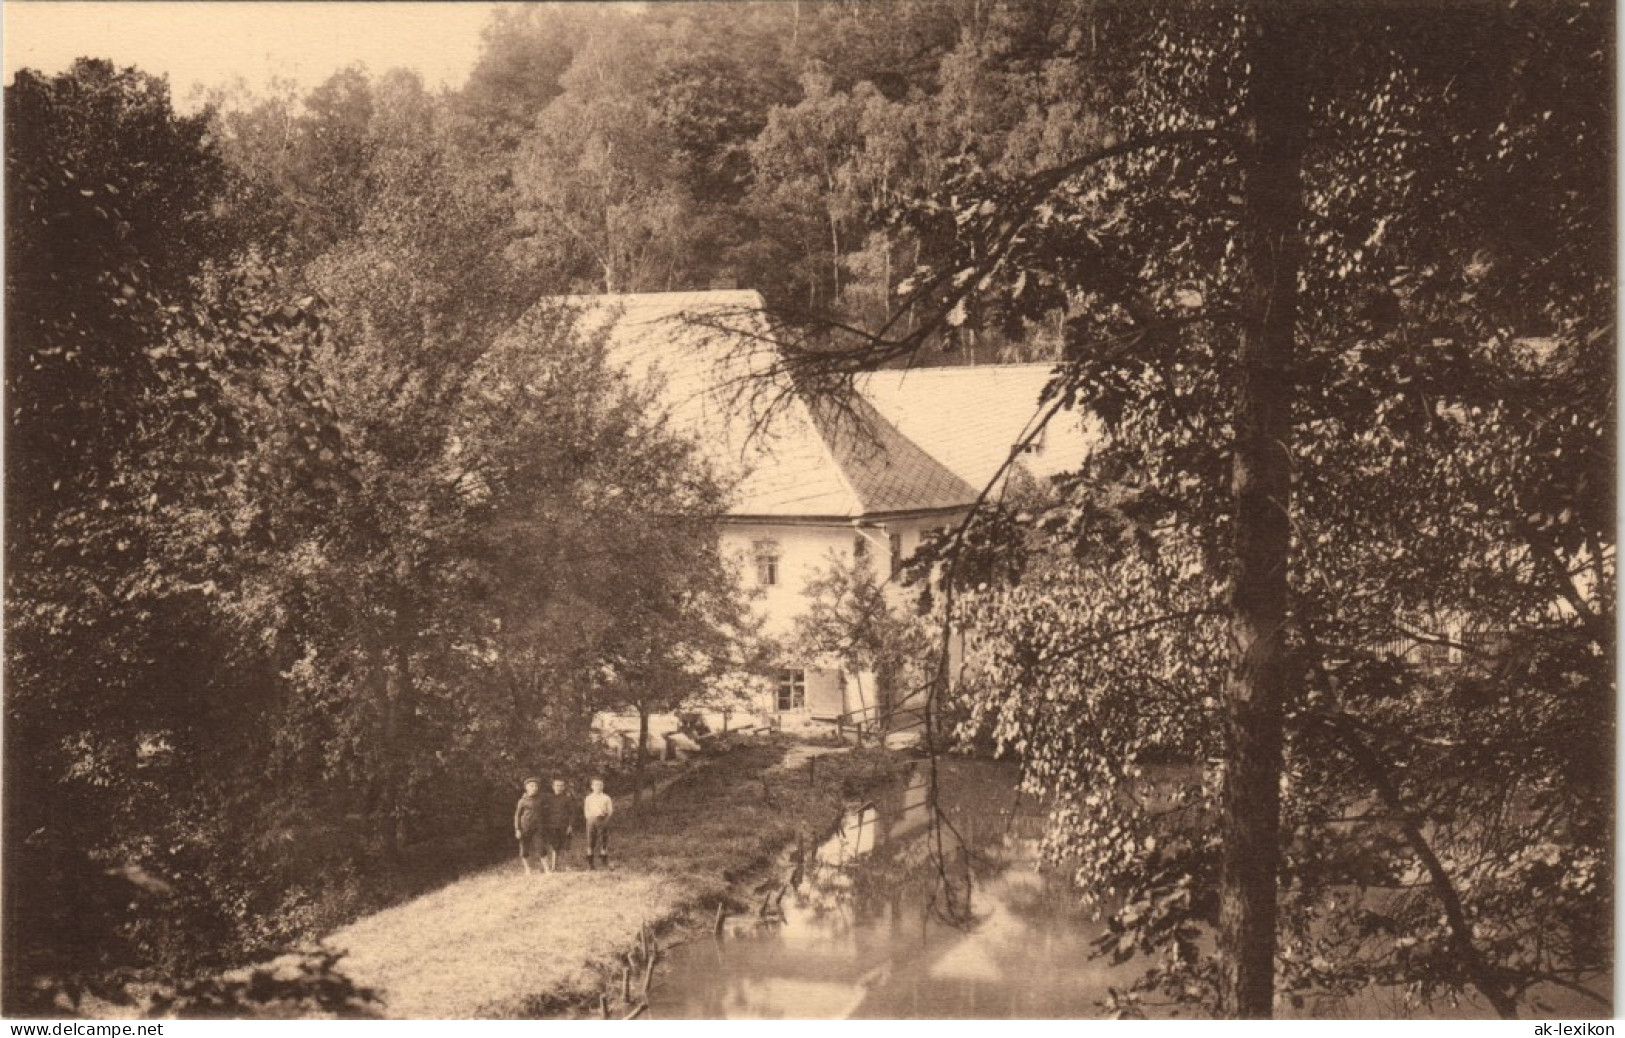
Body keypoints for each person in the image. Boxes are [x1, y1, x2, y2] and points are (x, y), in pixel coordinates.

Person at [537, 777, 574, 873]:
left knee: (566, 846)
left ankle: (567, 866)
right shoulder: (548, 798)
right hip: (552, 826)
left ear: (564, 787)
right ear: (553, 787)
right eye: (557, 785)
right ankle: (554, 867)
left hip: (564, 826)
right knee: (554, 846)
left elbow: (572, 813)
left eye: (561, 786)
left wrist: (570, 825)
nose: (559, 787)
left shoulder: (568, 799)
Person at [583, 776, 614, 871]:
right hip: (591, 820)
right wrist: (589, 819)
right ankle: (590, 864)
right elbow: (586, 810)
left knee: (603, 840)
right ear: (592, 786)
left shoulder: (606, 797)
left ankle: (604, 862)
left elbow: (610, 811)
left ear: (603, 786)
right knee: (590, 842)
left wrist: (606, 820)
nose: (598, 787)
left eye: (600, 785)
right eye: (596, 785)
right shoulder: (588, 798)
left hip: (602, 820)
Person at [514, 777, 543, 875]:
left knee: (541, 847)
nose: (534, 788)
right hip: (524, 828)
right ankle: (528, 870)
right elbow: (517, 816)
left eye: (536, 786)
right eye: (532, 786)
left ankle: (547, 869)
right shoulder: (522, 801)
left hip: (537, 828)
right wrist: (517, 829)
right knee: (524, 849)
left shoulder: (540, 799)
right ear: (526, 788)